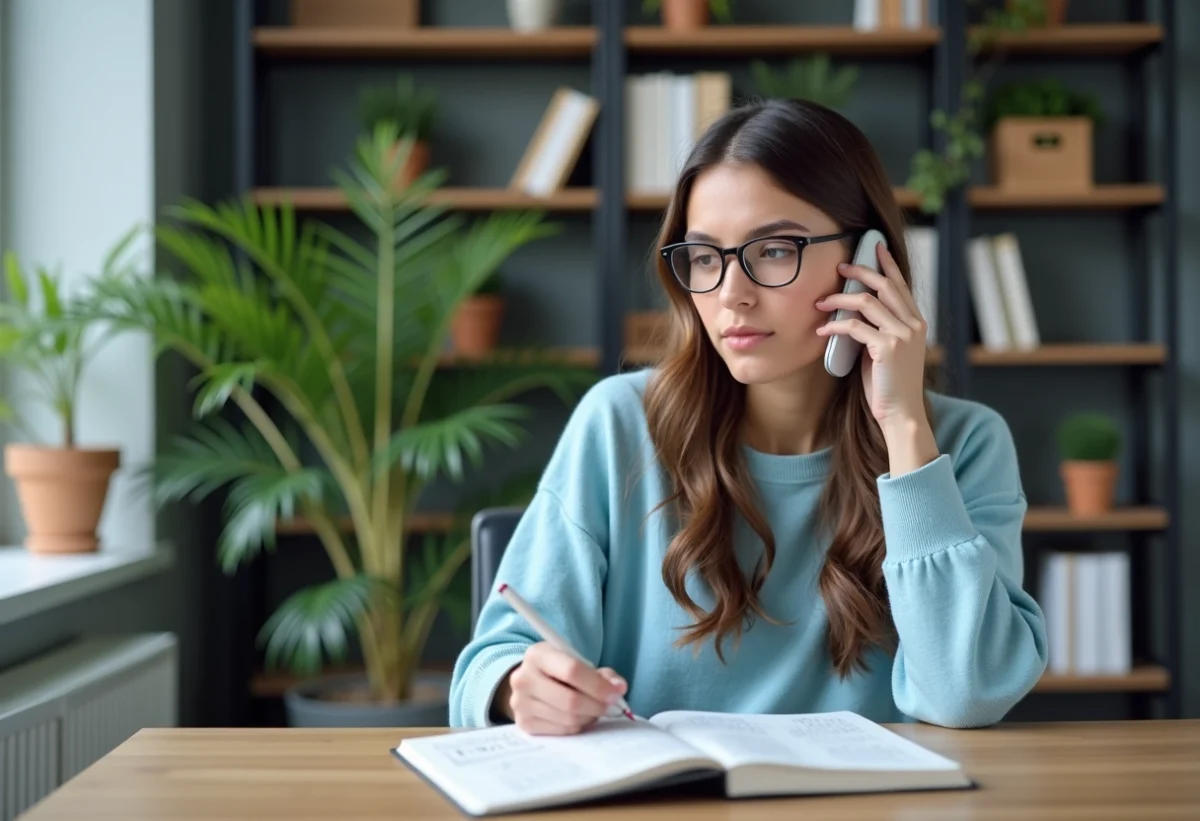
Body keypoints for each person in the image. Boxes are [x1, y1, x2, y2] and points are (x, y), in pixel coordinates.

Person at [449, 98, 1048, 734]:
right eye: (706, 257)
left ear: (871, 261)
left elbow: (968, 694)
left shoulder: (962, 444)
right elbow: (488, 668)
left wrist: (903, 428)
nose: (732, 293)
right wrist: (522, 690)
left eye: (773, 250)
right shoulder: (619, 425)